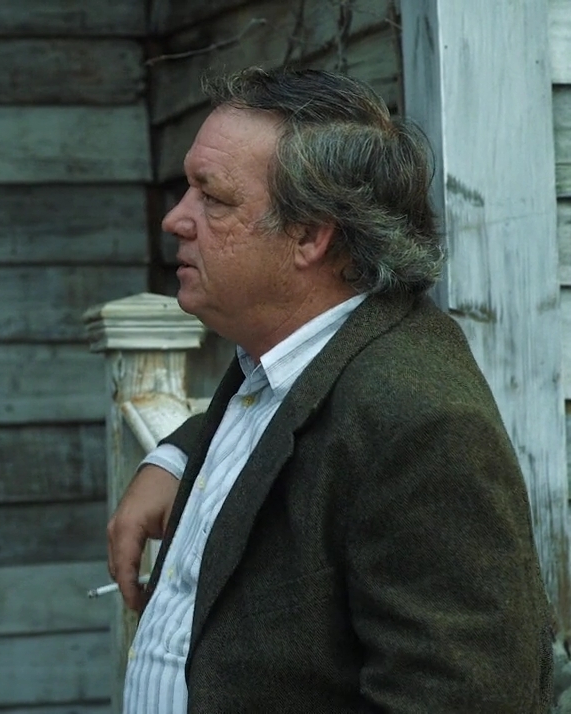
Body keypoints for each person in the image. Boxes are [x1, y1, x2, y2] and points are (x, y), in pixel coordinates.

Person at [106, 67, 552, 712]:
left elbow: (460, 696)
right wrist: (176, 456)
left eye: (214, 199)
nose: (176, 218)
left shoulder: (422, 423)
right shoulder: (287, 358)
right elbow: (297, 419)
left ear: (310, 236)